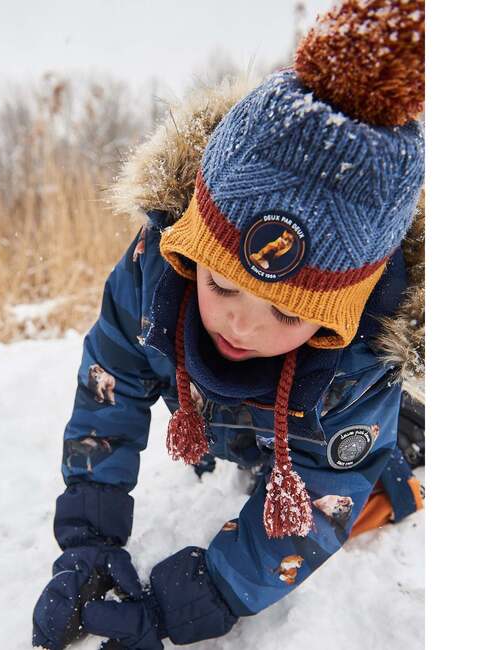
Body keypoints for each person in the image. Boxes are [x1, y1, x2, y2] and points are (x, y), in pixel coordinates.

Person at [32, 1, 425, 648]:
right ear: (191, 250)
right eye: (221, 284)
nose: (241, 323)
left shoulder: (360, 365)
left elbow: (327, 489)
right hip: (230, 421)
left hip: (325, 428)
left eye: (289, 310)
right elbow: (111, 389)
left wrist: (207, 593)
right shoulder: (152, 275)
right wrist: (89, 538)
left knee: (375, 479)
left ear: (340, 316)